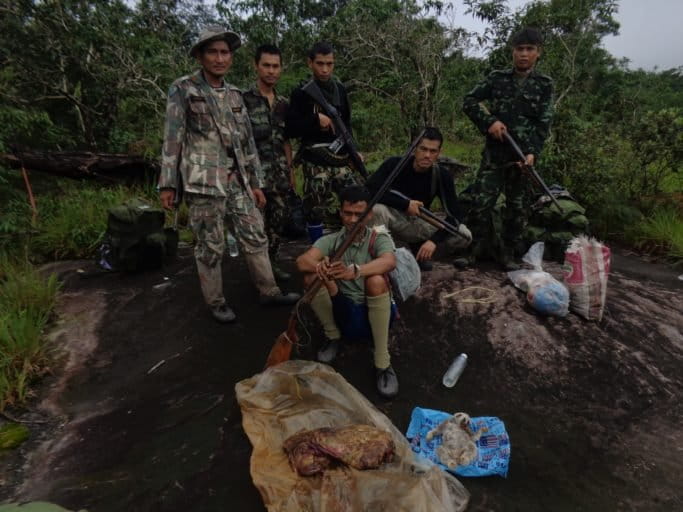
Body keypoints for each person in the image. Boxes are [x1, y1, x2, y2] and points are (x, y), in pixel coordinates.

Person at [158, 26, 299, 324]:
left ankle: (268, 290)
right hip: (203, 182)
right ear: (200, 55)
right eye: (213, 52)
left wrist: (256, 183)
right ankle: (216, 302)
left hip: (238, 181)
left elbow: (247, 143)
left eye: (225, 52)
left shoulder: (235, 95)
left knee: (255, 234)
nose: (220, 58)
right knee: (210, 245)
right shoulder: (183, 89)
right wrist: (168, 183)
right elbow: (172, 138)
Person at [461, 26, 554, 270]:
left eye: (529, 49)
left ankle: (508, 255)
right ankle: (471, 250)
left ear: (538, 53)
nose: (524, 54)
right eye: (519, 49)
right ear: (512, 52)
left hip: (523, 159)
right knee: (481, 203)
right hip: (495, 155)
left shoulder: (544, 84)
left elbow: (544, 122)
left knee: (517, 208)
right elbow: (469, 101)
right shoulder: (497, 78)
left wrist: (533, 152)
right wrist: (489, 122)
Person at [296, 186, 399, 398]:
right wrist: (319, 267)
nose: (352, 220)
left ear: (369, 214)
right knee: (310, 277)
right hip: (343, 309)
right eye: (347, 213)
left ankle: (382, 362)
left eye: (358, 215)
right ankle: (333, 335)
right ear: (340, 212)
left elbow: (389, 261)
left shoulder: (378, 237)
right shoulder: (333, 239)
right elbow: (302, 261)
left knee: (376, 281)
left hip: (373, 311)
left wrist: (357, 271)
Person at [367, 127, 472, 271]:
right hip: (393, 219)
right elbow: (369, 190)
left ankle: (422, 252)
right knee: (376, 210)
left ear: (438, 153)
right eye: (423, 149)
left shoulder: (441, 175)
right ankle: (383, 254)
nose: (427, 155)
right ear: (414, 149)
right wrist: (405, 204)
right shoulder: (394, 164)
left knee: (464, 235)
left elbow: (455, 214)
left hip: (419, 222)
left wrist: (433, 241)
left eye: (433, 151)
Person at [285, 41, 361, 241]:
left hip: (340, 157)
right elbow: (291, 128)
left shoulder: (340, 90)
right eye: (320, 63)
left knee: (355, 200)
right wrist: (315, 120)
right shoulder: (301, 93)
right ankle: (317, 249)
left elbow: (346, 123)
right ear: (310, 63)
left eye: (329, 63)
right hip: (315, 160)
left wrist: (355, 151)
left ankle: (351, 244)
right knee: (315, 207)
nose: (325, 69)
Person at [242, 44, 295, 281]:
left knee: (278, 223)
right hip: (255, 177)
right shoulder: (244, 100)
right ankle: (259, 274)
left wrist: (291, 172)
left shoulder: (284, 104)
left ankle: (271, 264)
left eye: (275, 66)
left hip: (280, 175)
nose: (271, 71)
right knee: (257, 227)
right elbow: (239, 142)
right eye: (266, 65)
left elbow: (286, 141)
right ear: (256, 66)